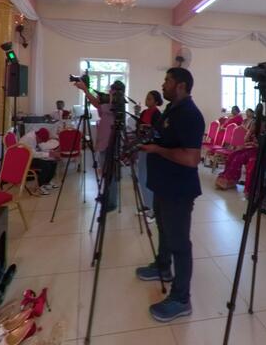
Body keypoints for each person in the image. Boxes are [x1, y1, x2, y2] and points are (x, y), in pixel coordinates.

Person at [135, 68, 204, 322]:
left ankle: (181, 299)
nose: (163, 84)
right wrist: (150, 139)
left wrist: (157, 150)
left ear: (181, 85)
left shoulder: (190, 114)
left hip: (178, 189)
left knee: (180, 242)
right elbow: (167, 139)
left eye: (168, 81)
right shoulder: (172, 110)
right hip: (164, 184)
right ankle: (163, 267)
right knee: (164, 230)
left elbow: (191, 158)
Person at [74, 79, 126, 212]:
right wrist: (92, 93)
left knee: (110, 174)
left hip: (110, 142)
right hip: (104, 141)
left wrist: (85, 90)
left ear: (117, 92)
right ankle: (106, 195)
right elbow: (99, 107)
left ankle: (112, 202)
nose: (109, 93)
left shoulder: (117, 104)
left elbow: (97, 104)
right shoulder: (110, 103)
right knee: (105, 172)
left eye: (112, 91)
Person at [136, 90, 163, 220]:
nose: (147, 100)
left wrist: (148, 128)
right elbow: (138, 127)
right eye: (147, 98)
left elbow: (157, 132)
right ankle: (147, 205)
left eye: (150, 99)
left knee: (148, 178)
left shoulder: (157, 114)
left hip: (151, 149)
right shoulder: (144, 112)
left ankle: (153, 209)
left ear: (156, 101)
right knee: (141, 176)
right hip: (142, 147)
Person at [19, 127, 59, 195]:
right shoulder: (30, 138)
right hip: (24, 159)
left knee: (53, 161)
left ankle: (46, 182)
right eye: (41, 141)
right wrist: (49, 154)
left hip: (30, 156)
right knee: (46, 165)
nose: (41, 142)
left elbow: (39, 149)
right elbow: (33, 154)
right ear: (39, 137)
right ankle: (39, 186)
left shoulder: (35, 135)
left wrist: (51, 154)